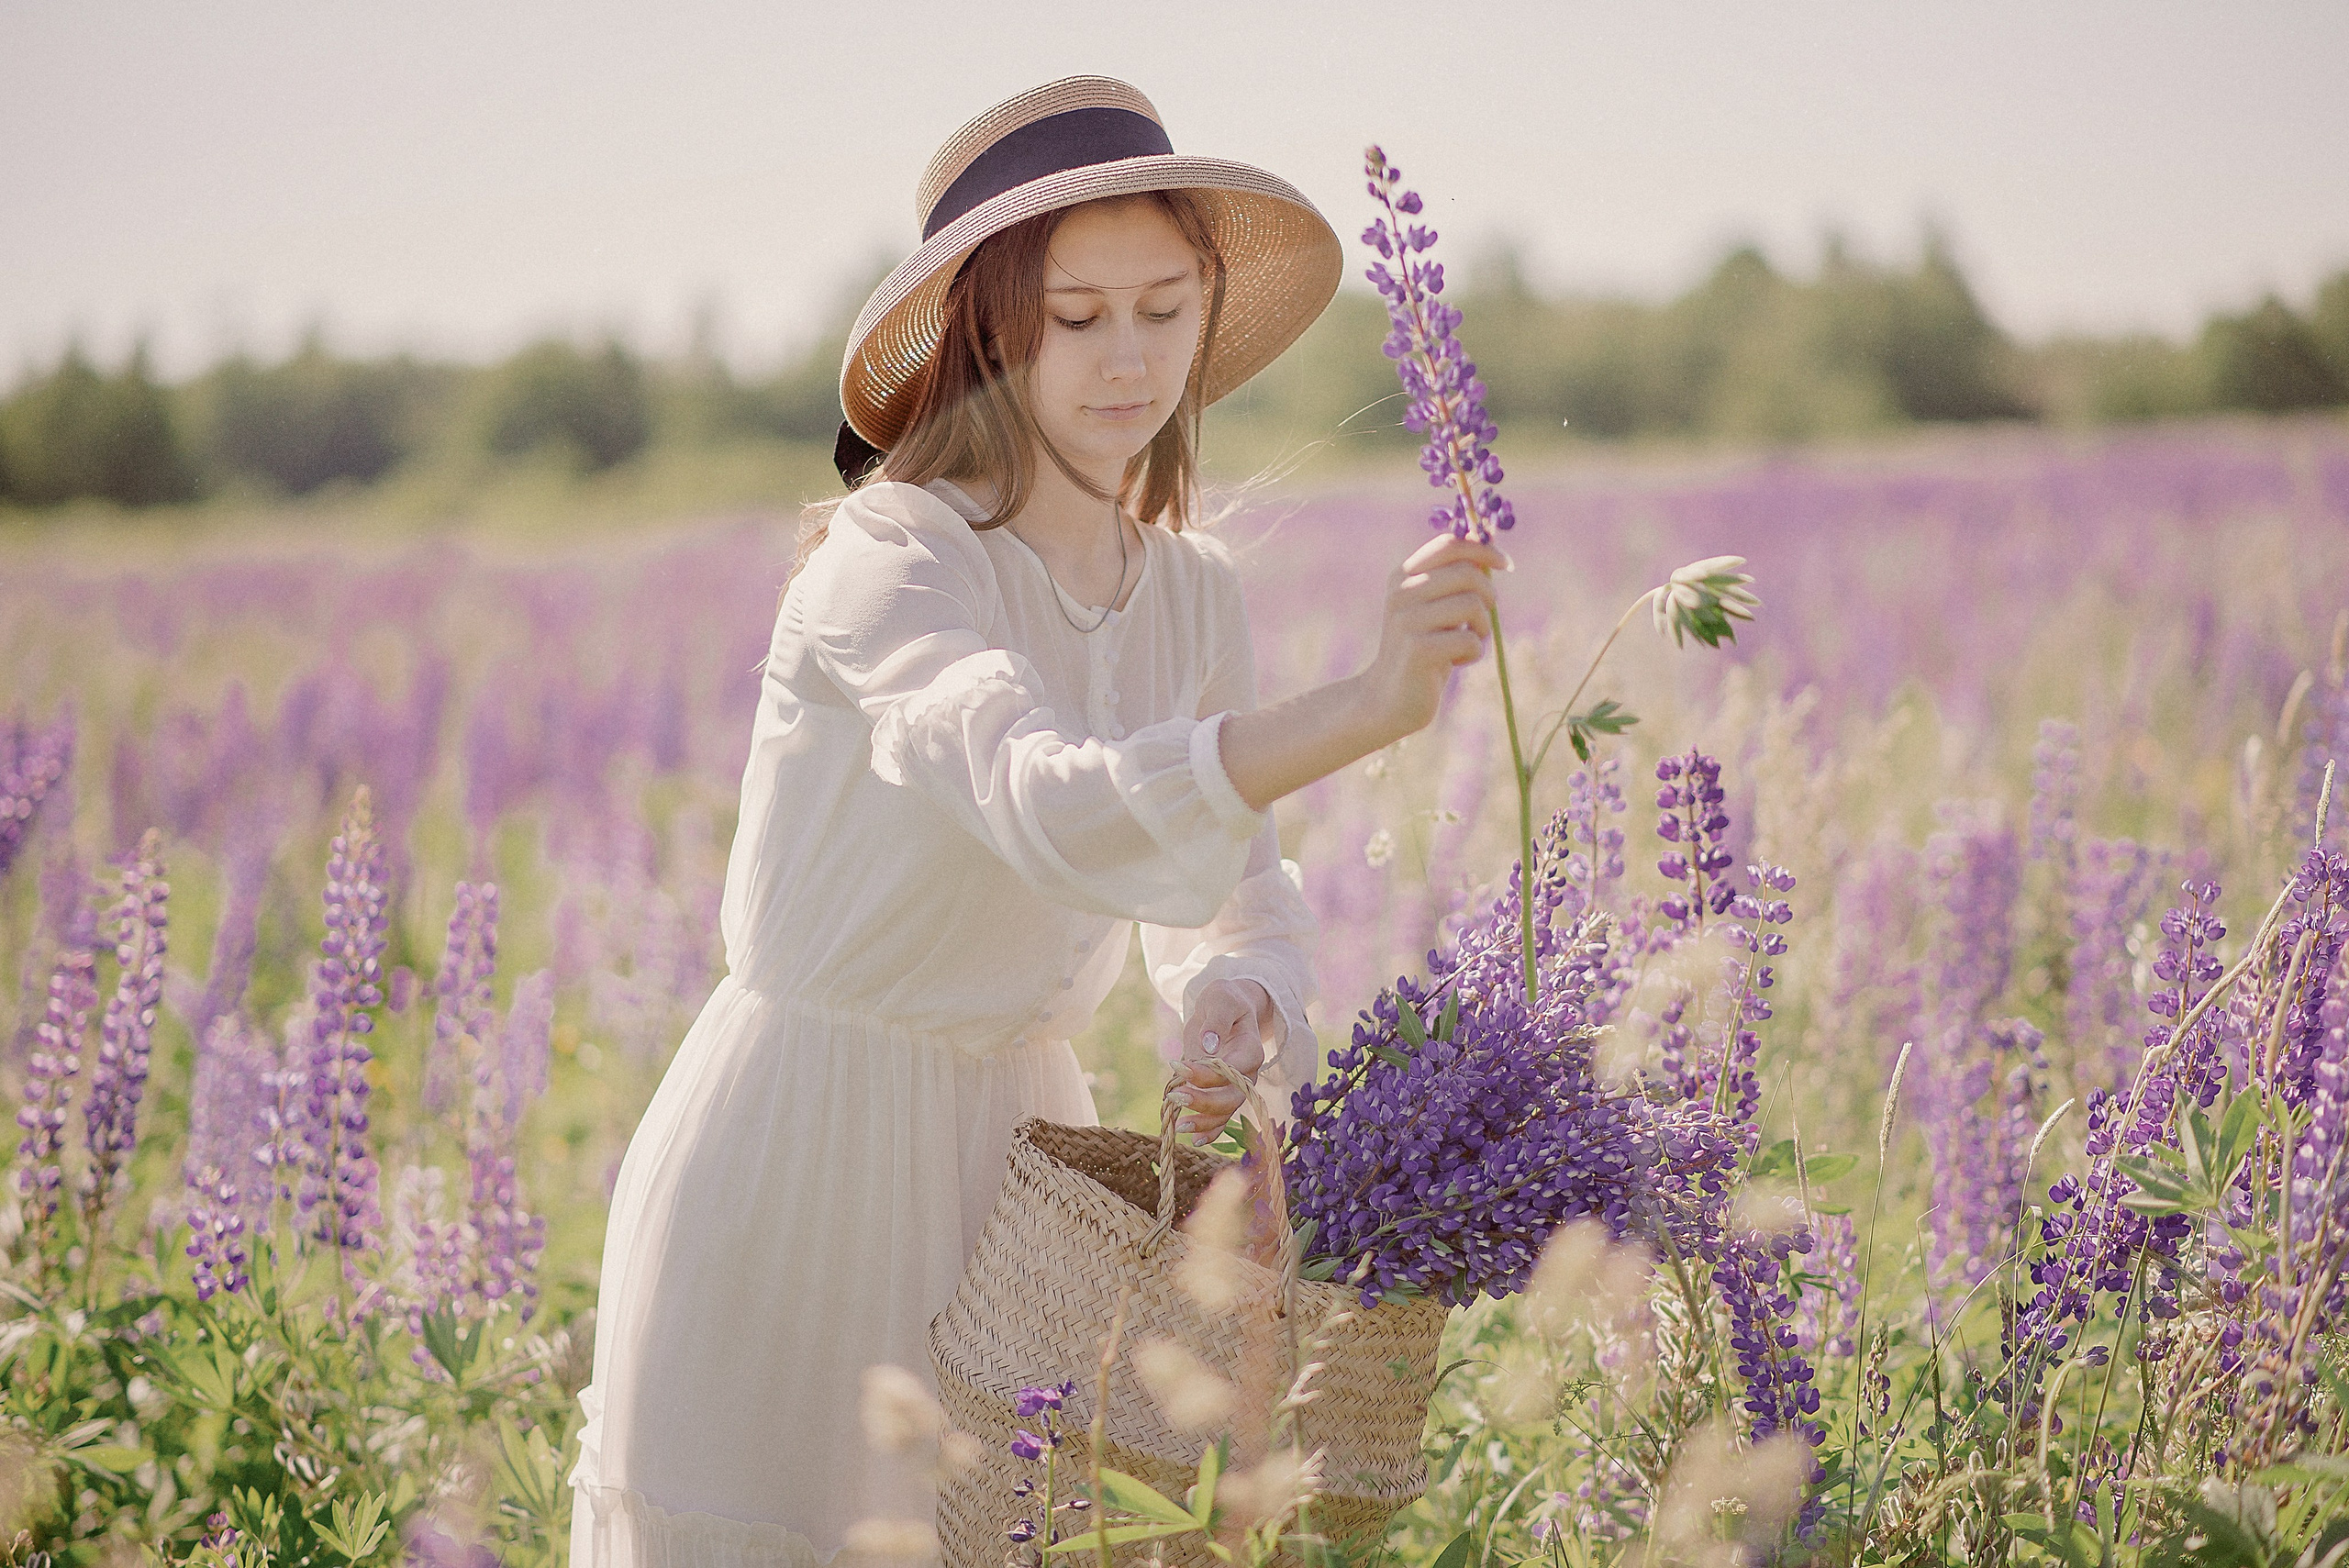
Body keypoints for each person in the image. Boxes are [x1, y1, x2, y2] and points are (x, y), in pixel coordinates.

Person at [566, 75, 1506, 1568]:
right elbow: (1042, 801)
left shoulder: (1191, 594)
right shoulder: (890, 560)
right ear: (995, 327)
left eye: (1164, 307)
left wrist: (1230, 1003)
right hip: (794, 1155)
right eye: (1078, 317)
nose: (1130, 358)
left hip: (1030, 1180)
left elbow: (1228, 892)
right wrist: (1369, 703)